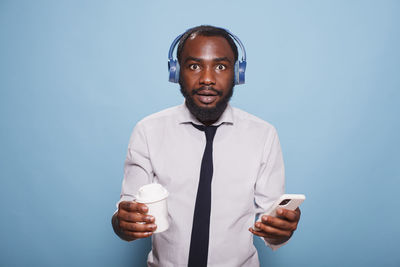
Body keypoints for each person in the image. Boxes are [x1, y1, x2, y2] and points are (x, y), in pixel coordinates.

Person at [112, 25, 301, 267]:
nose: (207, 78)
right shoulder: (148, 131)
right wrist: (123, 222)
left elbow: (271, 222)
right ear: (176, 72)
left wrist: (281, 228)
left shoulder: (263, 135)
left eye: (221, 66)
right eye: (194, 66)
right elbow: (128, 210)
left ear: (237, 73)